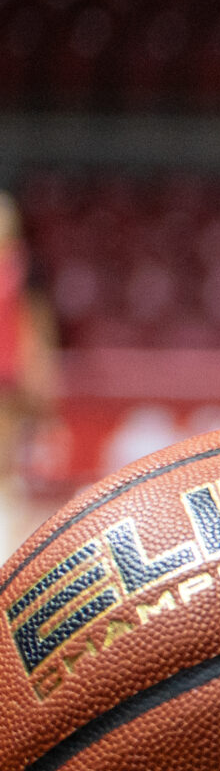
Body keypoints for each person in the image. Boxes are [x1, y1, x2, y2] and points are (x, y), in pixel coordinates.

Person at [0, 191, 59, 541]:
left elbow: (37, 321)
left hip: (9, 372)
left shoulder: (24, 268)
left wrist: (40, 367)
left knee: (7, 454)